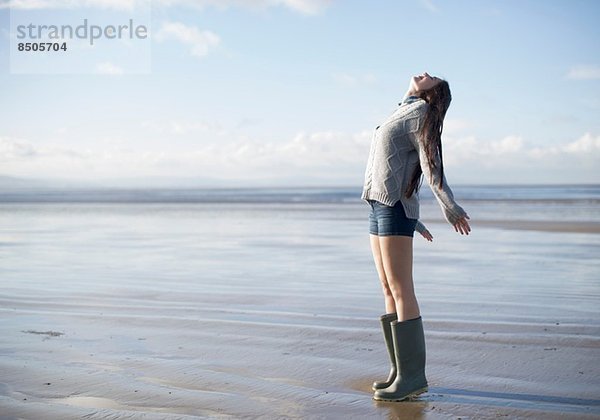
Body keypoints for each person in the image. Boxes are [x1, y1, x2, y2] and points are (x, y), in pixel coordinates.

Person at [361, 72, 471, 402]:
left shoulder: (422, 114)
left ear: (432, 94)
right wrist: (417, 220)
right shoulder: (400, 111)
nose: (424, 73)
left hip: (394, 206)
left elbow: (430, 164)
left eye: (432, 77)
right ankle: (399, 371)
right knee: (386, 287)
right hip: (379, 204)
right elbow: (396, 166)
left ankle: (413, 377)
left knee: (400, 287)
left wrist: (448, 206)